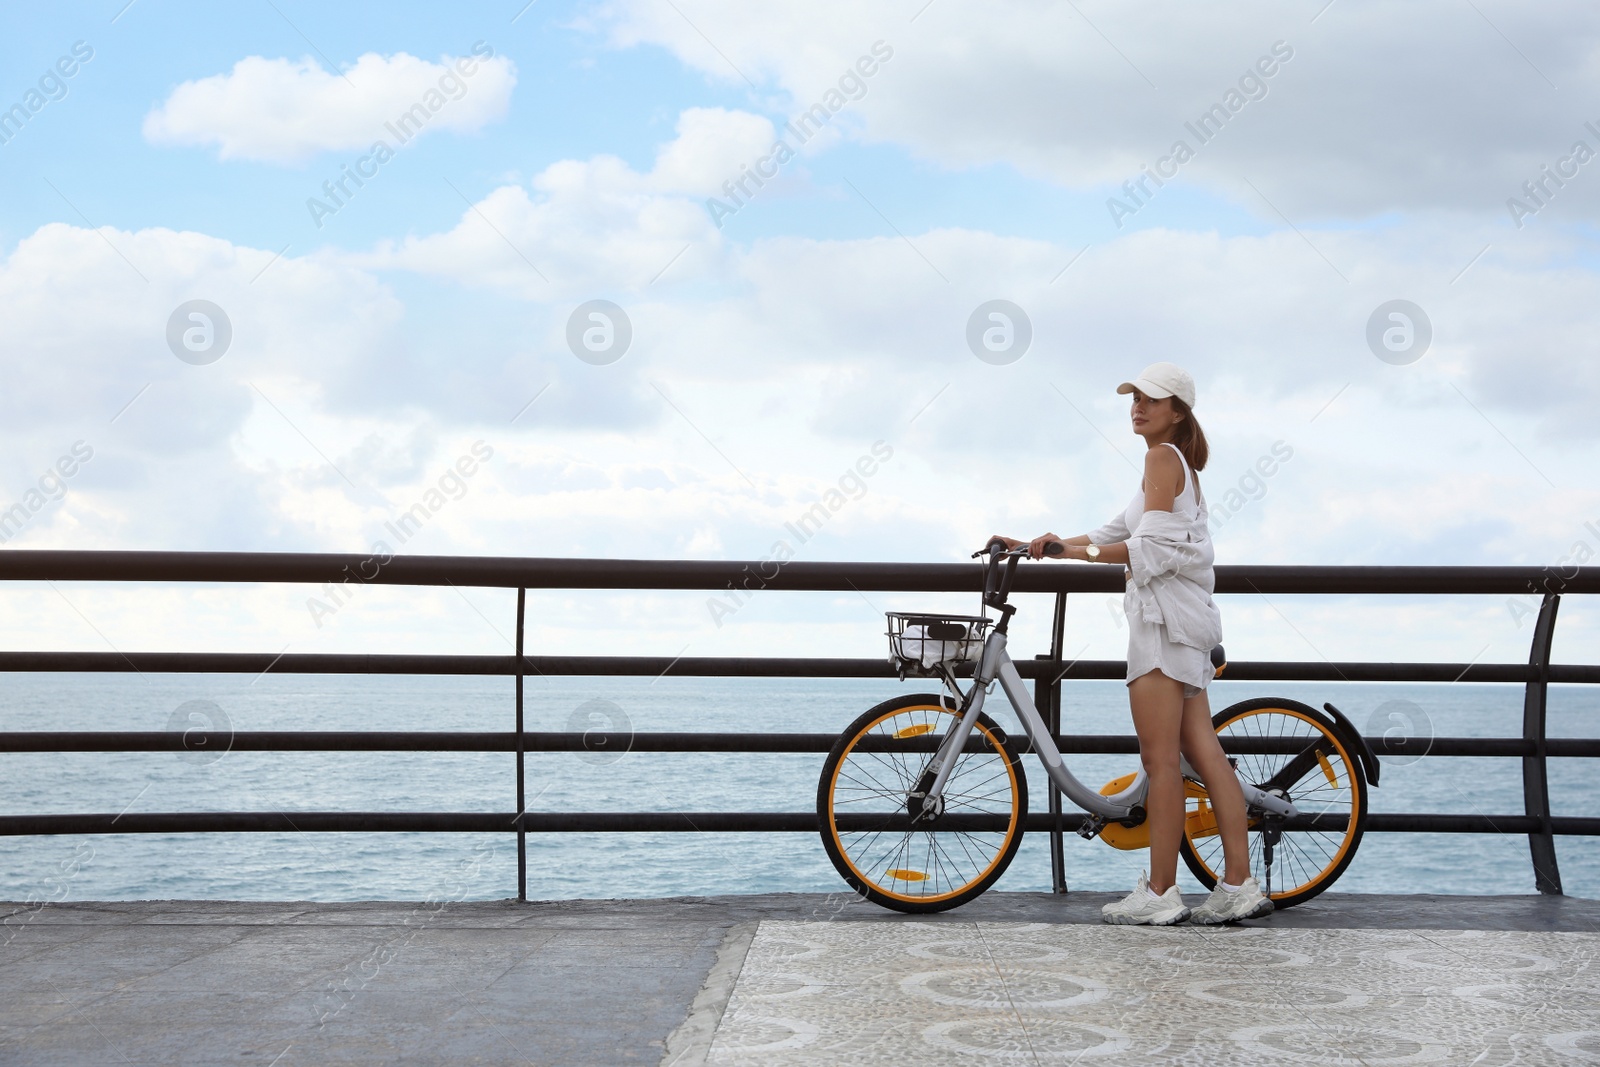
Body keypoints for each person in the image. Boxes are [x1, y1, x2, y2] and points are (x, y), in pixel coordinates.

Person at [990, 362, 1272, 926]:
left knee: (1161, 761)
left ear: (1178, 412)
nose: (1137, 407)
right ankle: (1238, 882)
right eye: (1135, 398)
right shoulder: (1174, 468)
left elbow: (1147, 549)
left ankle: (1162, 892)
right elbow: (1112, 533)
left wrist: (1074, 555)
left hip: (1163, 629)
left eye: (1152, 399)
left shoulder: (1161, 459)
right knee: (1205, 756)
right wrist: (1043, 544)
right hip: (1184, 629)